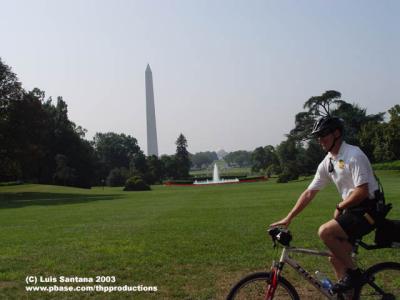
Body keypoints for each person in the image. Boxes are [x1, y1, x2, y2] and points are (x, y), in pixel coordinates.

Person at [270, 115, 379, 294]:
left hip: (369, 209)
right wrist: (289, 217)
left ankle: (355, 273)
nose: (320, 140)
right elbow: (309, 192)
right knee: (336, 260)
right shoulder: (329, 161)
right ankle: (348, 293)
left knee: (325, 231)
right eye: (317, 137)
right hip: (353, 211)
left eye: (323, 135)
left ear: (337, 134)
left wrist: (339, 206)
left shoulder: (353, 155)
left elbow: (362, 191)